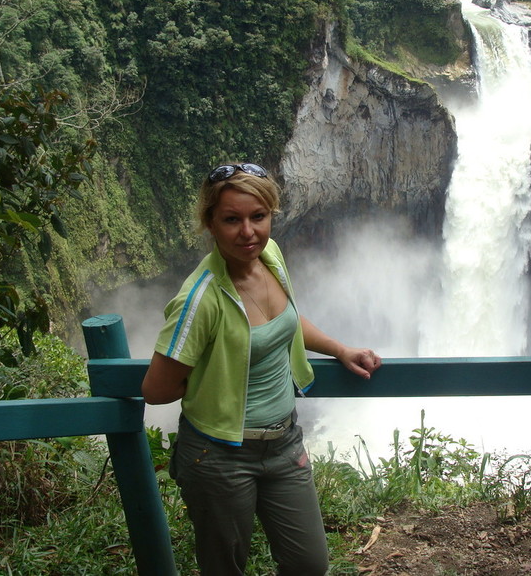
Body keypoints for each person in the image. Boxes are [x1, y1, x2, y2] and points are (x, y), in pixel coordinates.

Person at [141, 162, 382, 575]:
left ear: (271, 215)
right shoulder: (200, 301)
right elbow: (156, 390)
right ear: (210, 224)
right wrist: (217, 375)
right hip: (219, 456)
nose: (248, 232)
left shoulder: (269, 257)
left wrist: (339, 349)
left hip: (285, 443)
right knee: (225, 568)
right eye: (231, 220)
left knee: (309, 564)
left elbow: (285, 321)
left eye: (258, 217)